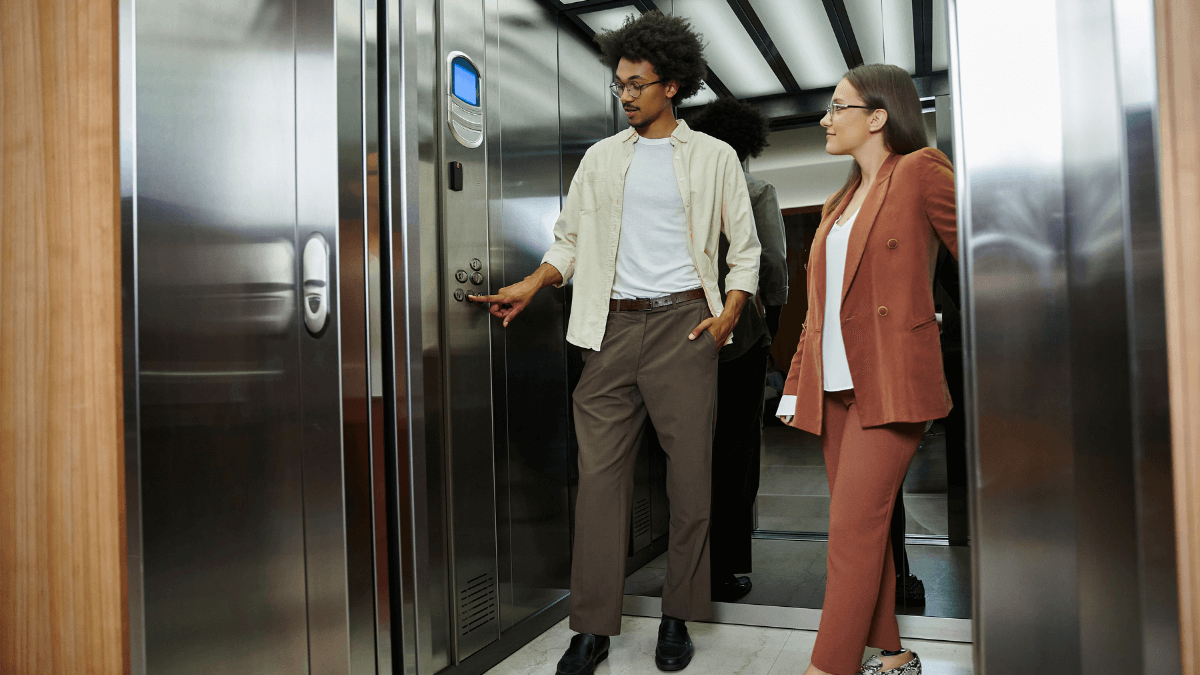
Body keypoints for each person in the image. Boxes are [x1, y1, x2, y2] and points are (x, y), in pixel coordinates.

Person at [469, 11, 760, 675]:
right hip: (608, 330)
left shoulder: (713, 159)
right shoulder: (602, 158)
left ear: (674, 86)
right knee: (599, 482)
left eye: (637, 84)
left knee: (690, 479)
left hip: (686, 325)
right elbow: (568, 240)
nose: (625, 95)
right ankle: (592, 627)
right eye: (619, 85)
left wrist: (727, 314)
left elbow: (745, 250)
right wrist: (535, 280)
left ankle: (678, 613)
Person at [776, 63, 957, 675]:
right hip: (834, 389)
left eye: (837, 107)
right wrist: (799, 379)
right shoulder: (839, 200)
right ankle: (893, 654)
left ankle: (828, 667)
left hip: (891, 381)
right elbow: (819, 309)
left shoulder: (920, 171)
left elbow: (988, 254)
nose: (826, 119)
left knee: (852, 531)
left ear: (878, 117)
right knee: (862, 529)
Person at [687, 97, 788, 603]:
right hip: (740, 339)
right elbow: (770, 265)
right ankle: (725, 568)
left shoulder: (682, 186)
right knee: (735, 453)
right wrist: (772, 319)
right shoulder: (754, 189)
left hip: (681, 337)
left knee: (687, 454)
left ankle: (689, 562)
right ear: (748, 146)